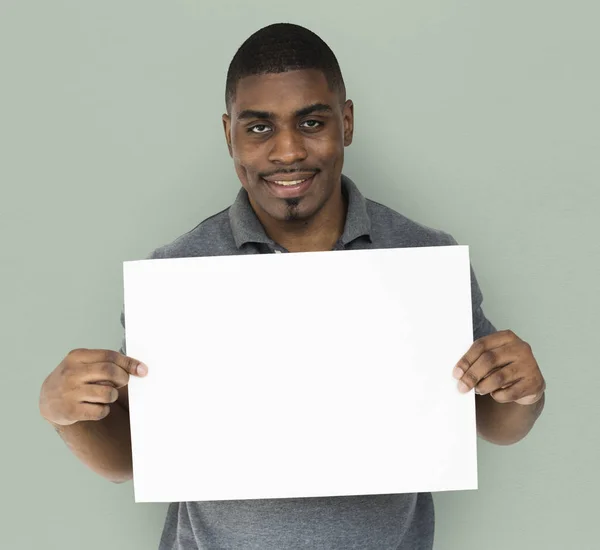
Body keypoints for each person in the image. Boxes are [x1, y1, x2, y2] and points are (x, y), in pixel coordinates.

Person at [38, 22, 546, 550]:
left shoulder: (426, 258)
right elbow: (128, 458)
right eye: (259, 128)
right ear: (228, 133)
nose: (287, 152)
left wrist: (525, 389)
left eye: (311, 122)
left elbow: (495, 422)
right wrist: (64, 414)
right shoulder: (177, 272)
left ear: (346, 122)